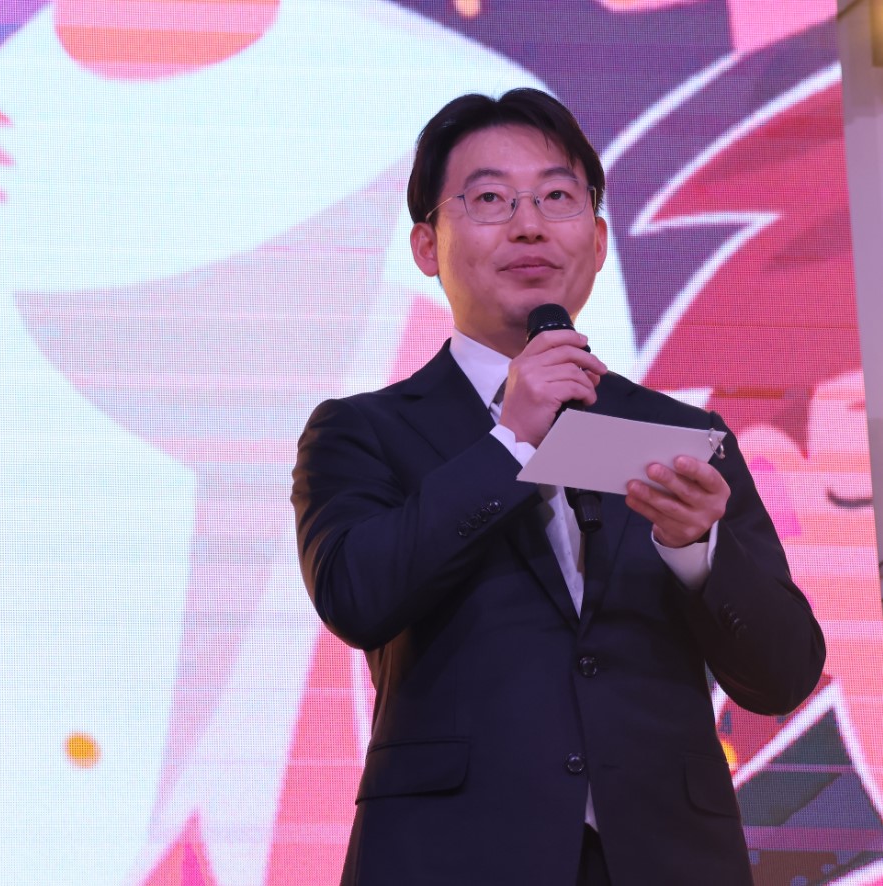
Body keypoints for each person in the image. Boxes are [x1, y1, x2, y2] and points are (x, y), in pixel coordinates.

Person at [290, 87, 826, 886]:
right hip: (452, 859)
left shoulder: (683, 438)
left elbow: (783, 674)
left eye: (556, 197)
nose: (529, 225)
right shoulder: (363, 431)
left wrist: (699, 553)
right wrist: (510, 440)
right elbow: (356, 598)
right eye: (490, 200)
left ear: (599, 240)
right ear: (426, 245)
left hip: (667, 859)